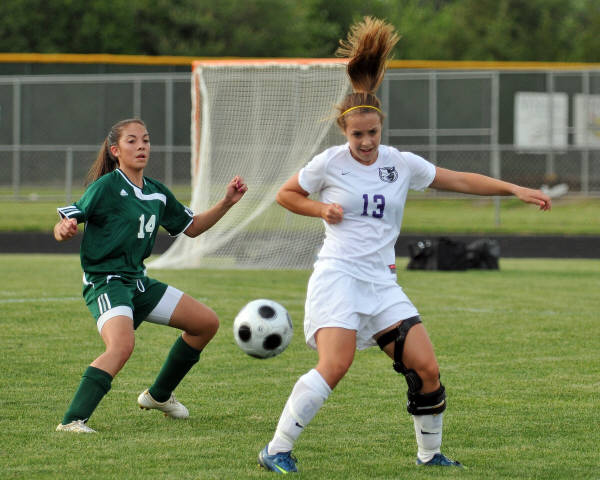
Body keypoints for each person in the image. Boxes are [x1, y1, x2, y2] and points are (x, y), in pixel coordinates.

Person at [257, 17, 551, 473]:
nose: (366, 142)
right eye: (357, 135)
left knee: (427, 369)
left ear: (381, 127)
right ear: (345, 132)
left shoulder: (400, 163)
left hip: (382, 283)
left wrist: (514, 189)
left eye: (372, 133)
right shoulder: (329, 163)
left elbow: (459, 180)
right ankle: (276, 449)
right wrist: (320, 209)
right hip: (339, 277)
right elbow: (285, 194)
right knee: (335, 365)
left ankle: (429, 456)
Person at [54, 118, 247, 433]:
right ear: (116, 151)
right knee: (121, 346)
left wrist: (226, 202)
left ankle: (159, 396)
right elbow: (67, 220)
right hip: (106, 282)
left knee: (205, 324)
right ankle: (72, 421)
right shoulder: (106, 187)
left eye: (145, 139)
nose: (141, 146)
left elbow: (192, 227)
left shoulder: (156, 192)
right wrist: (63, 229)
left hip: (138, 282)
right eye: (132, 141)